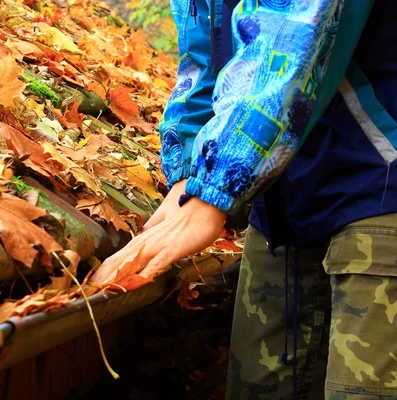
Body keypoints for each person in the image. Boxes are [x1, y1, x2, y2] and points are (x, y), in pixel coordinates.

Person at [91, 0, 397, 398]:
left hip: (380, 174)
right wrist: (188, 169)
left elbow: (295, 25)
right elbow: (203, 42)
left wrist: (219, 183)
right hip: (280, 195)